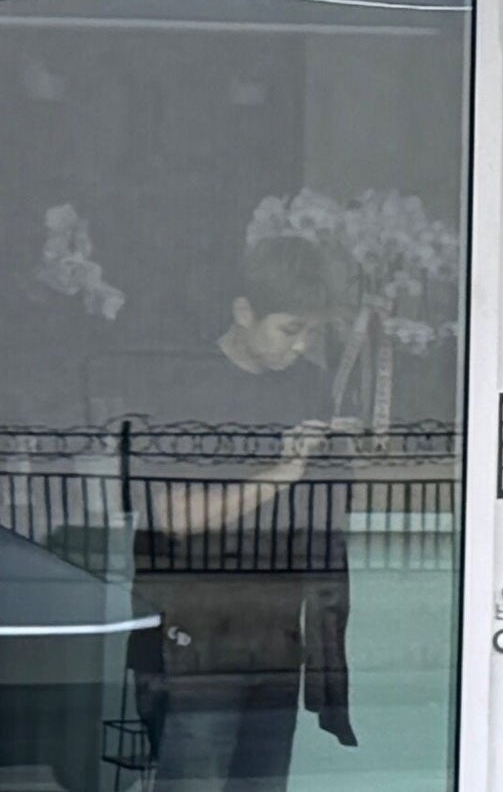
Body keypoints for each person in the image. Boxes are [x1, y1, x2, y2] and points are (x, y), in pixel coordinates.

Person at [129, 240, 357, 792]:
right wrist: (282, 474)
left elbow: (318, 498)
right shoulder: (186, 381)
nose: (301, 345)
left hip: (276, 626)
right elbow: (173, 514)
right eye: (290, 329)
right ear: (243, 312)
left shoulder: (307, 383)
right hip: (192, 631)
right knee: (194, 779)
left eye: (312, 333)